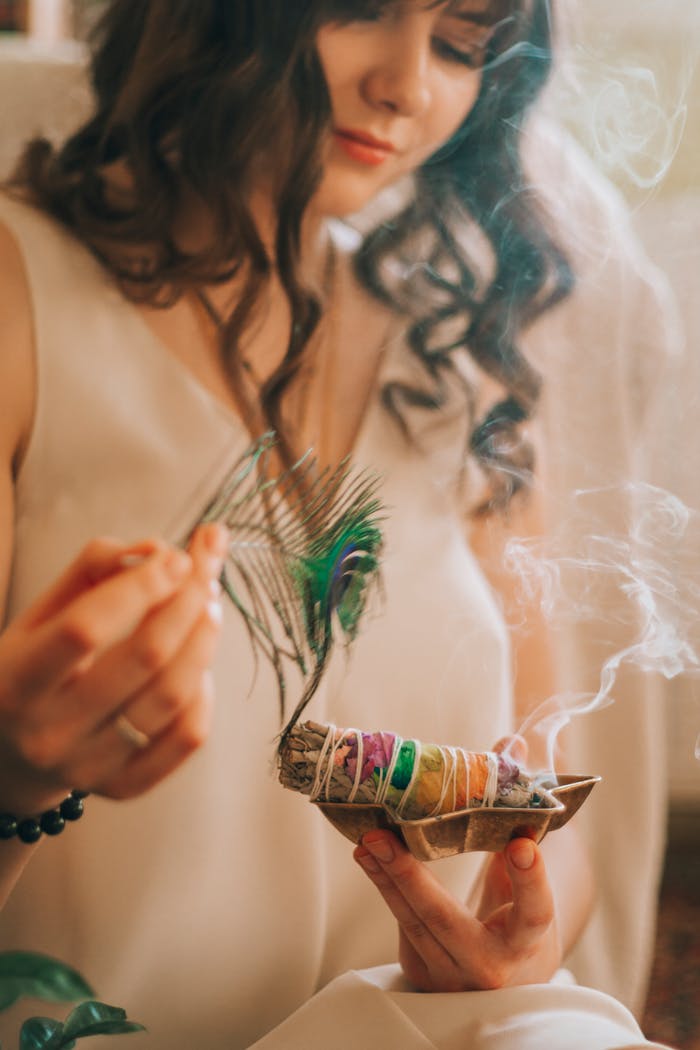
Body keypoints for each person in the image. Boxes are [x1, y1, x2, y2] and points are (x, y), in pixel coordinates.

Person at [0, 2, 674, 1048]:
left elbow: (547, 820)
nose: (407, 86)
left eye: (460, 42)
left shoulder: (463, 364)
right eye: (359, 8)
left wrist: (523, 941)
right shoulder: (21, 299)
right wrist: (14, 778)